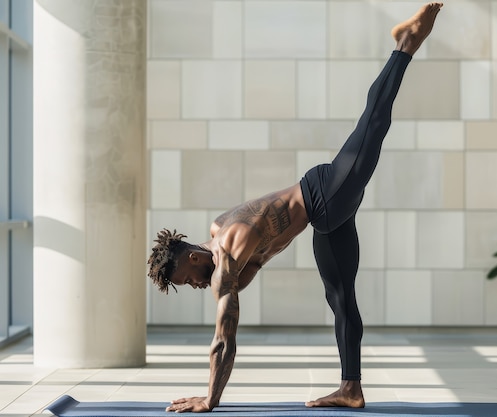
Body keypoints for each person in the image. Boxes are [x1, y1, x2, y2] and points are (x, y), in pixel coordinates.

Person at [147, 2, 443, 413]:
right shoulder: (220, 241)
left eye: (189, 277)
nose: (196, 285)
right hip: (324, 220)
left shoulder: (226, 252)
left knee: (372, 124)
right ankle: (350, 388)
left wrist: (210, 399)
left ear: (195, 257)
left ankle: (406, 44)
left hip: (325, 193)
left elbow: (224, 339)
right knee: (341, 298)